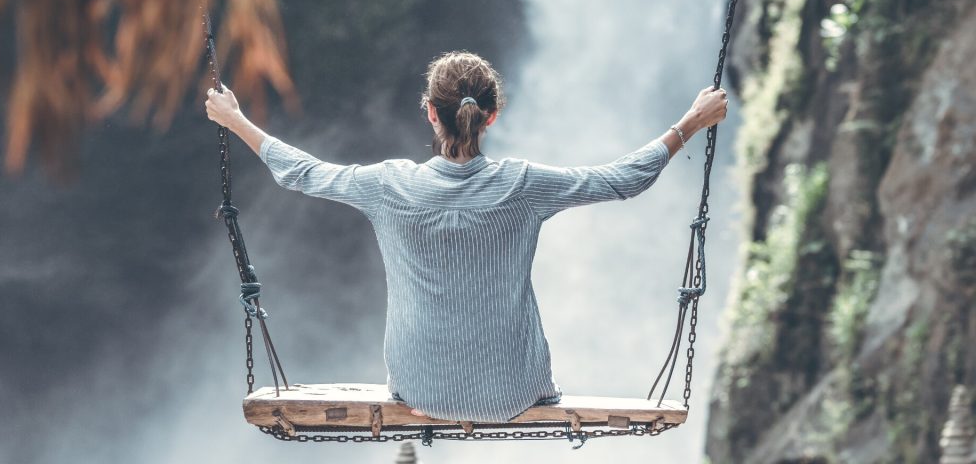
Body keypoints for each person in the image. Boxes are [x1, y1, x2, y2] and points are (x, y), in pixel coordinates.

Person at [204, 51, 728, 423]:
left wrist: (236, 120)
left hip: (419, 390)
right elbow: (621, 180)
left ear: (430, 112)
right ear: (491, 117)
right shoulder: (525, 185)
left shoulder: (388, 186)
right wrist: (689, 123)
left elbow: (303, 172)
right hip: (516, 393)